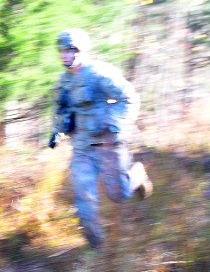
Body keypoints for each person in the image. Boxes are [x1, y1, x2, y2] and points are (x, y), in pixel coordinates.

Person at [49, 28, 152, 249]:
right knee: (84, 196)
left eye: (70, 50)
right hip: (82, 149)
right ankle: (96, 248)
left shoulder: (99, 74)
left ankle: (137, 175)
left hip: (107, 144)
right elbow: (60, 109)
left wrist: (114, 125)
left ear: (80, 51)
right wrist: (57, 131)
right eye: (62, 51)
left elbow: (129, 98)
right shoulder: (63, 81)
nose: (65, 55)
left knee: (119, 194)